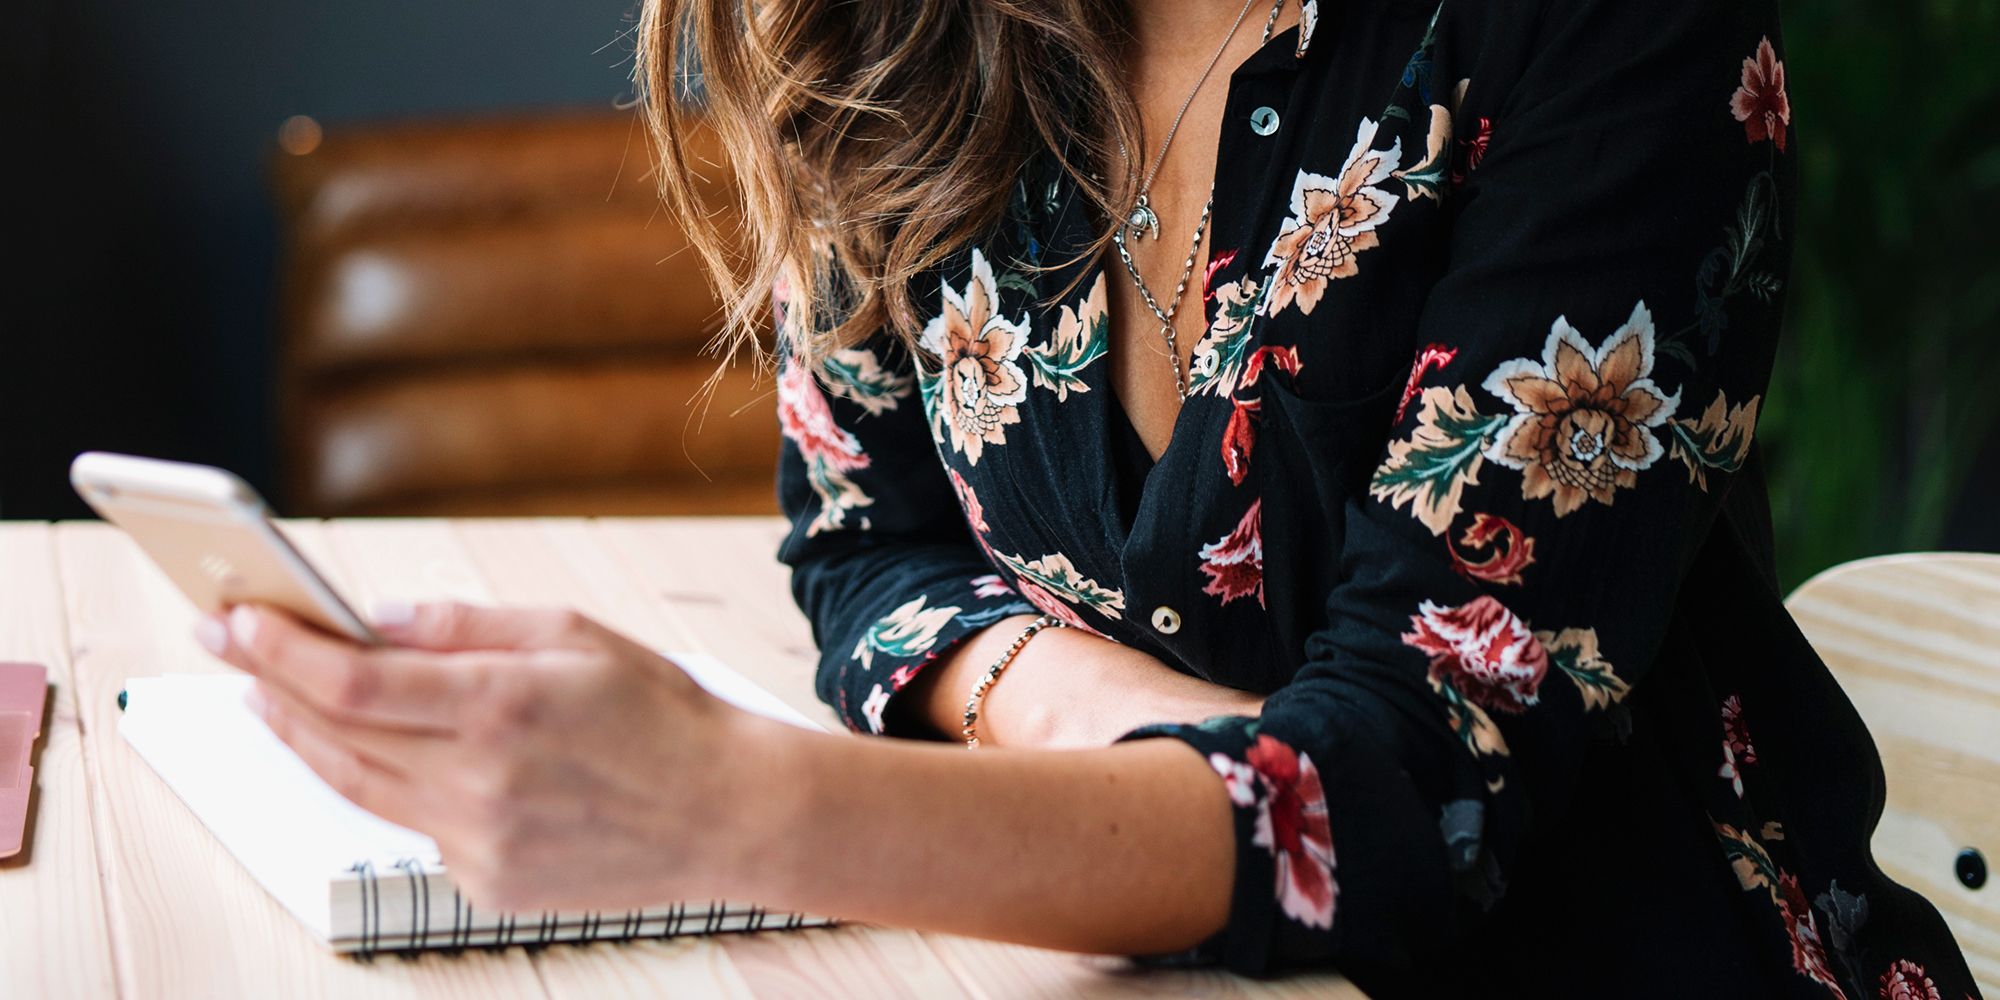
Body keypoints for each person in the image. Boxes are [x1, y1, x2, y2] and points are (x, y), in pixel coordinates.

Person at [201, 0, 1981, 994]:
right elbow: (863, 540)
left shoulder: (1606, 38)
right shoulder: (915, 34)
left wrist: (732, 804)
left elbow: (1403, 805)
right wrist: (1095, 705)